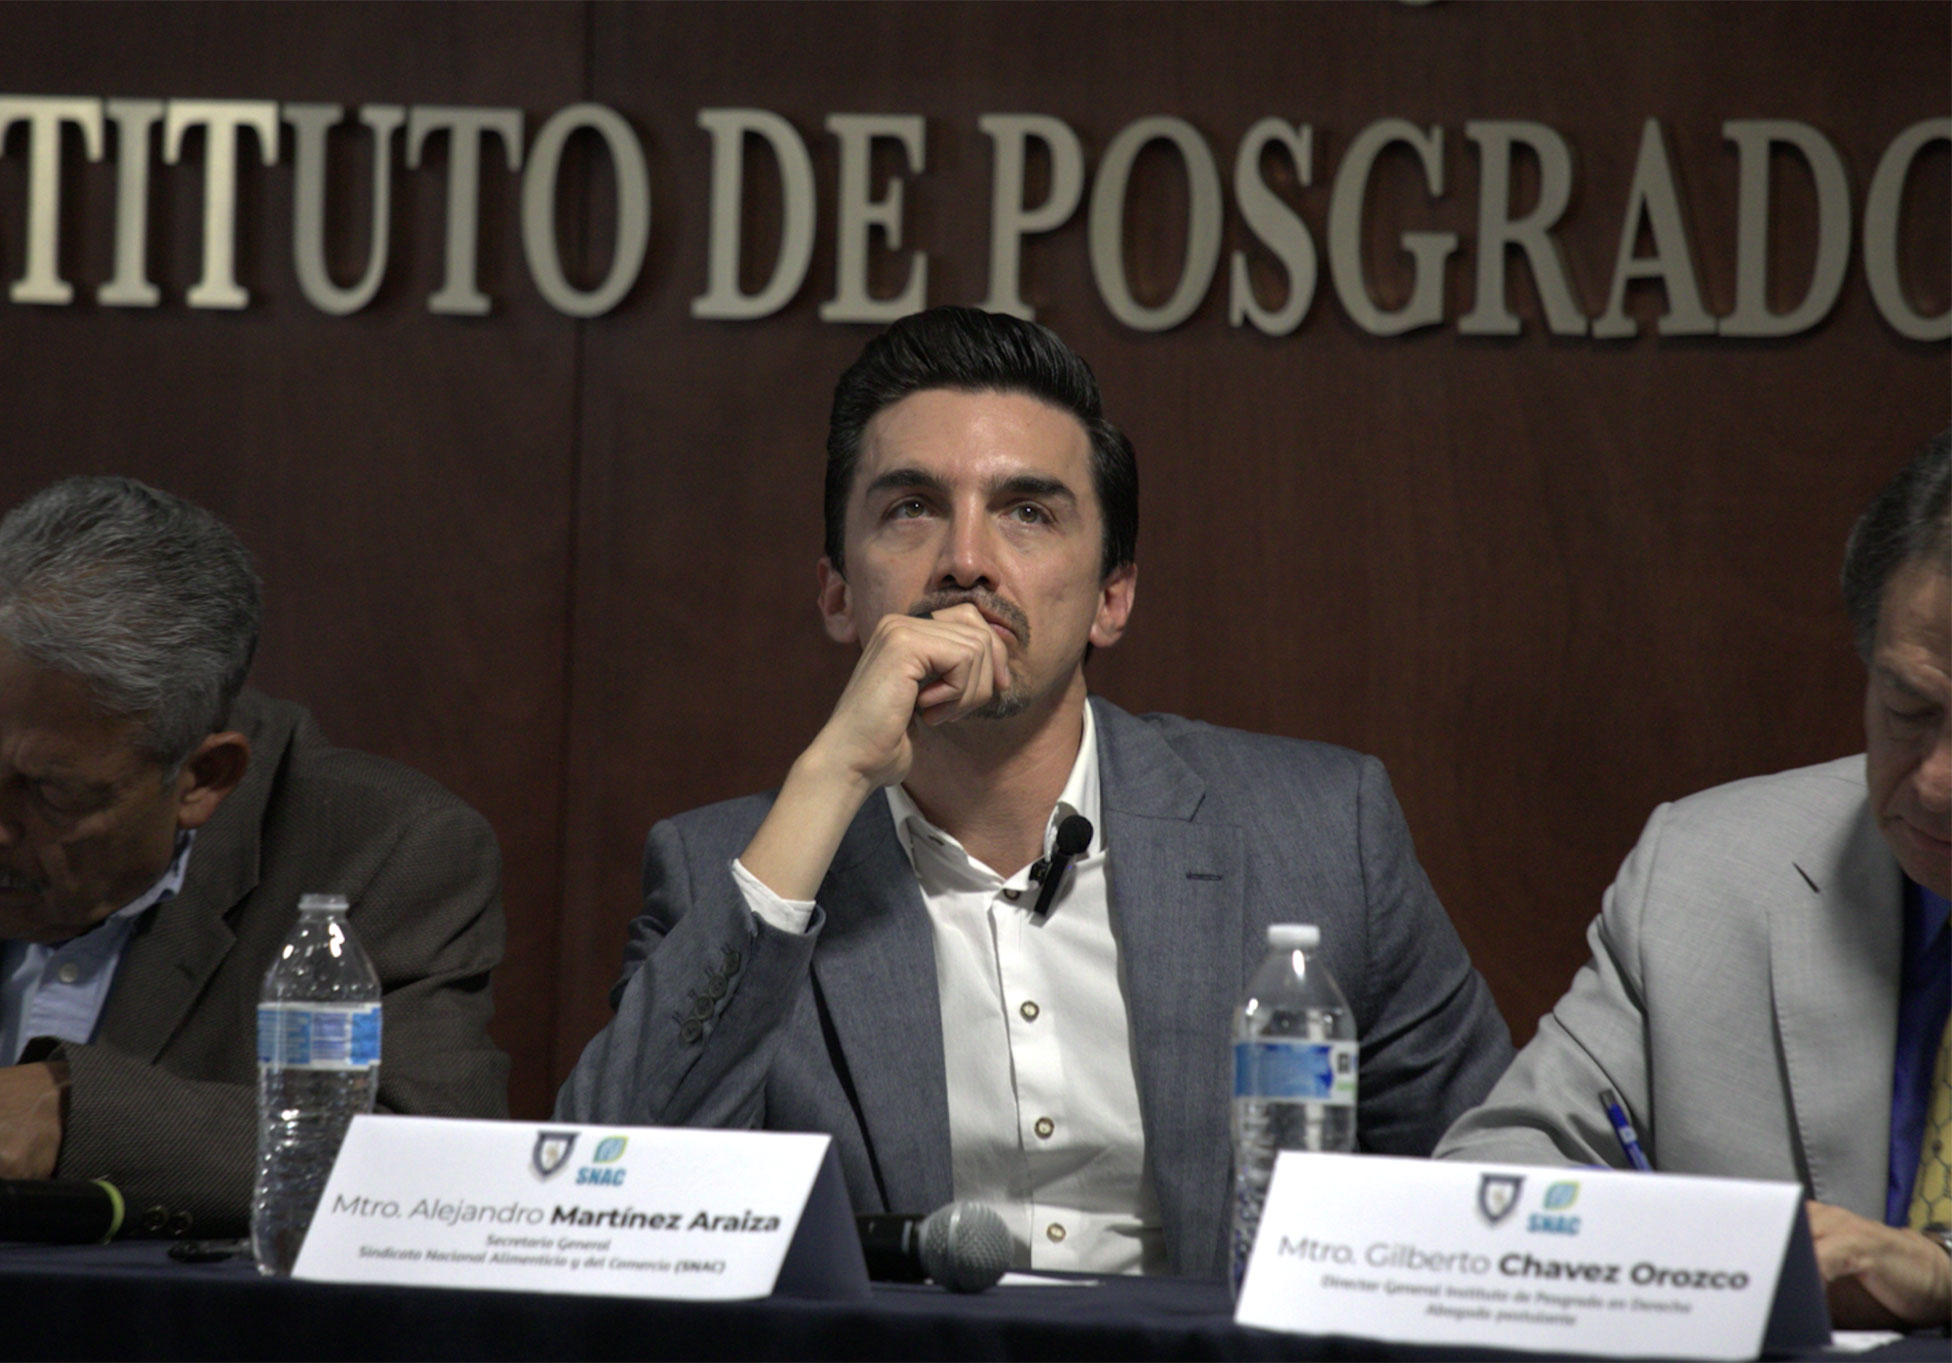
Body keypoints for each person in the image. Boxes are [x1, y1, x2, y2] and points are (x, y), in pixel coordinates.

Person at [556, 306, 1513, 1279]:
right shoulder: (734, 875)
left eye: (1027, 511)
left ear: (1111, 597)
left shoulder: (1321, 834)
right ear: (838, 593)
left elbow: (1487, 1196)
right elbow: (608, 1211)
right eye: (911, 507)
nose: (965, 560)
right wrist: (832, 773)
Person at [1435, 432, 1952, 1330]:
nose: (1937, 780)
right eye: (1909, 710)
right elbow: (1494, 1178)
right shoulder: (1706, 872)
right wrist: (1689, 1250)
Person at [0, 477, 511, 1239]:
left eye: (50, 791)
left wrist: (67, 1109)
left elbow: (428, 1157)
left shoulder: (378, 852)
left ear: (202, 777)